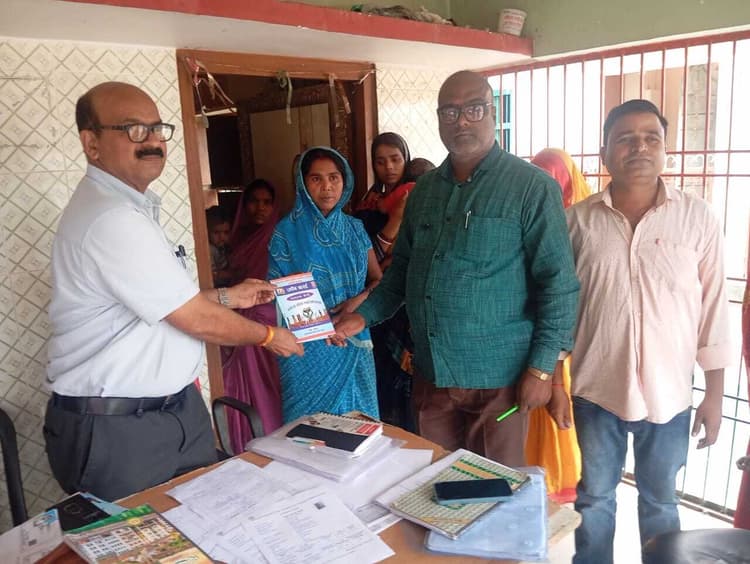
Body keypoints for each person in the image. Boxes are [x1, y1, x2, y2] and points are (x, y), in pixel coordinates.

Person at [43, 82, 303, 501]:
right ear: (92, 144)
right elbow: (192, 317)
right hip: (120, 429)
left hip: (170, 412)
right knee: (142, 534)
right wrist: (269, 336)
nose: (152, 141)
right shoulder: (112, 218)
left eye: (157, 128)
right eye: (133, 129)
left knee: (198, 522)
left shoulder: (133, 208)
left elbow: (167, 302)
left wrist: (230, 297)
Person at [334, 70, 580, 467]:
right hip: (431, 375)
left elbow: (558, 285)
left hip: (499, 383)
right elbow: (403, 271)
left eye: (474, 109)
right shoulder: (424, 192)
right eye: (449, 112)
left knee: (491, 487)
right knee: (431, 481)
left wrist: (541, 370)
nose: (461, 121)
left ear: (493, 112)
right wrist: (361, 318)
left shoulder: (531, 188)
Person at [564, 99, 731, 563]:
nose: (639, 147)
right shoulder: (576, 222)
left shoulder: (697, 218)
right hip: (597, 390)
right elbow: (559, 308)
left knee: (660, 502)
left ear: (664, 150)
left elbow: (714, 309)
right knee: (594, 500)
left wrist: (714, 394)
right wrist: (554, 380)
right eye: (625, 138)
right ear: (605, 152)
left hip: (669, 393)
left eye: (650, 138)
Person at [269, 147, 382, 422]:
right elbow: (280, 290)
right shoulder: (285, 232)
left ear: (345, 181)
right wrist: (322, 329)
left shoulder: (355, 228)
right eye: (316, 179)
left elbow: (379, 280)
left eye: (334, 178)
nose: (327, 187)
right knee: (308, 429)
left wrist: (357, 301)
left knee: (360, 425)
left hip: (352, 335)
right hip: (308, 346)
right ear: (302, 183)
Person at [526, 148, 591, 503]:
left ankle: (559, 479)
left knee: (564, 406)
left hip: (573, 334)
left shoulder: (584, 222)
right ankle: (537, 479)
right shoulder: (531, 217)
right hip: (533, 332)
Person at [353, 133, 415, 429]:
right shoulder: (368, 206)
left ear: (406, 159)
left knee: (408, 379)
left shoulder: (421, 200)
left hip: (407, 301)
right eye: (380, 161)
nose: (389, 167)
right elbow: (366, 259)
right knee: (381, 372)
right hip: (376, 300)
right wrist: (395, 221)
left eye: (395, 159)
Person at [221, 179, 282, 453]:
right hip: (238, 315)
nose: (260, 208)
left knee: (266, 384)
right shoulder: (236, 237)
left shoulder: (279, 238)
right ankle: (248, 438)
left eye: (267, 202)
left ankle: (271, 434)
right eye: (254, 202)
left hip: (267, 317)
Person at [206, 206, 232, 287]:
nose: (222, 237)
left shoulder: (223, 246)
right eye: (216, 232)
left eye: (226, 232)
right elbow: (212, 274)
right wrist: (233, 274)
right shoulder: (209, 249)